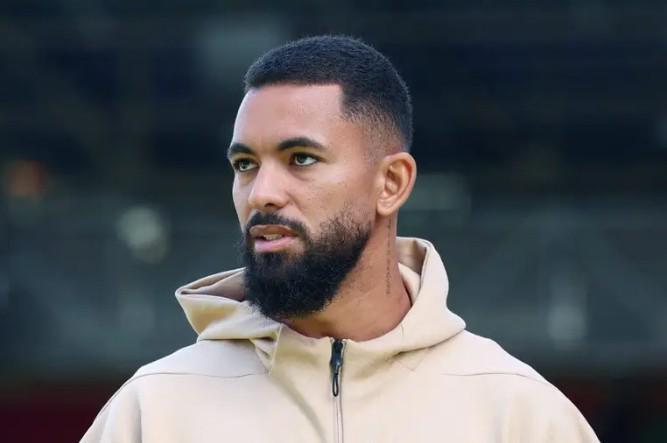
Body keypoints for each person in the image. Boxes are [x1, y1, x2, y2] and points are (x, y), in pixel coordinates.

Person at [81, 35, 599, 442]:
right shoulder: (153, 412)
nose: (262, 193)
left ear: (391, 183)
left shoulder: (520, 415)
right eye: (245, 165)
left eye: (301, 158)